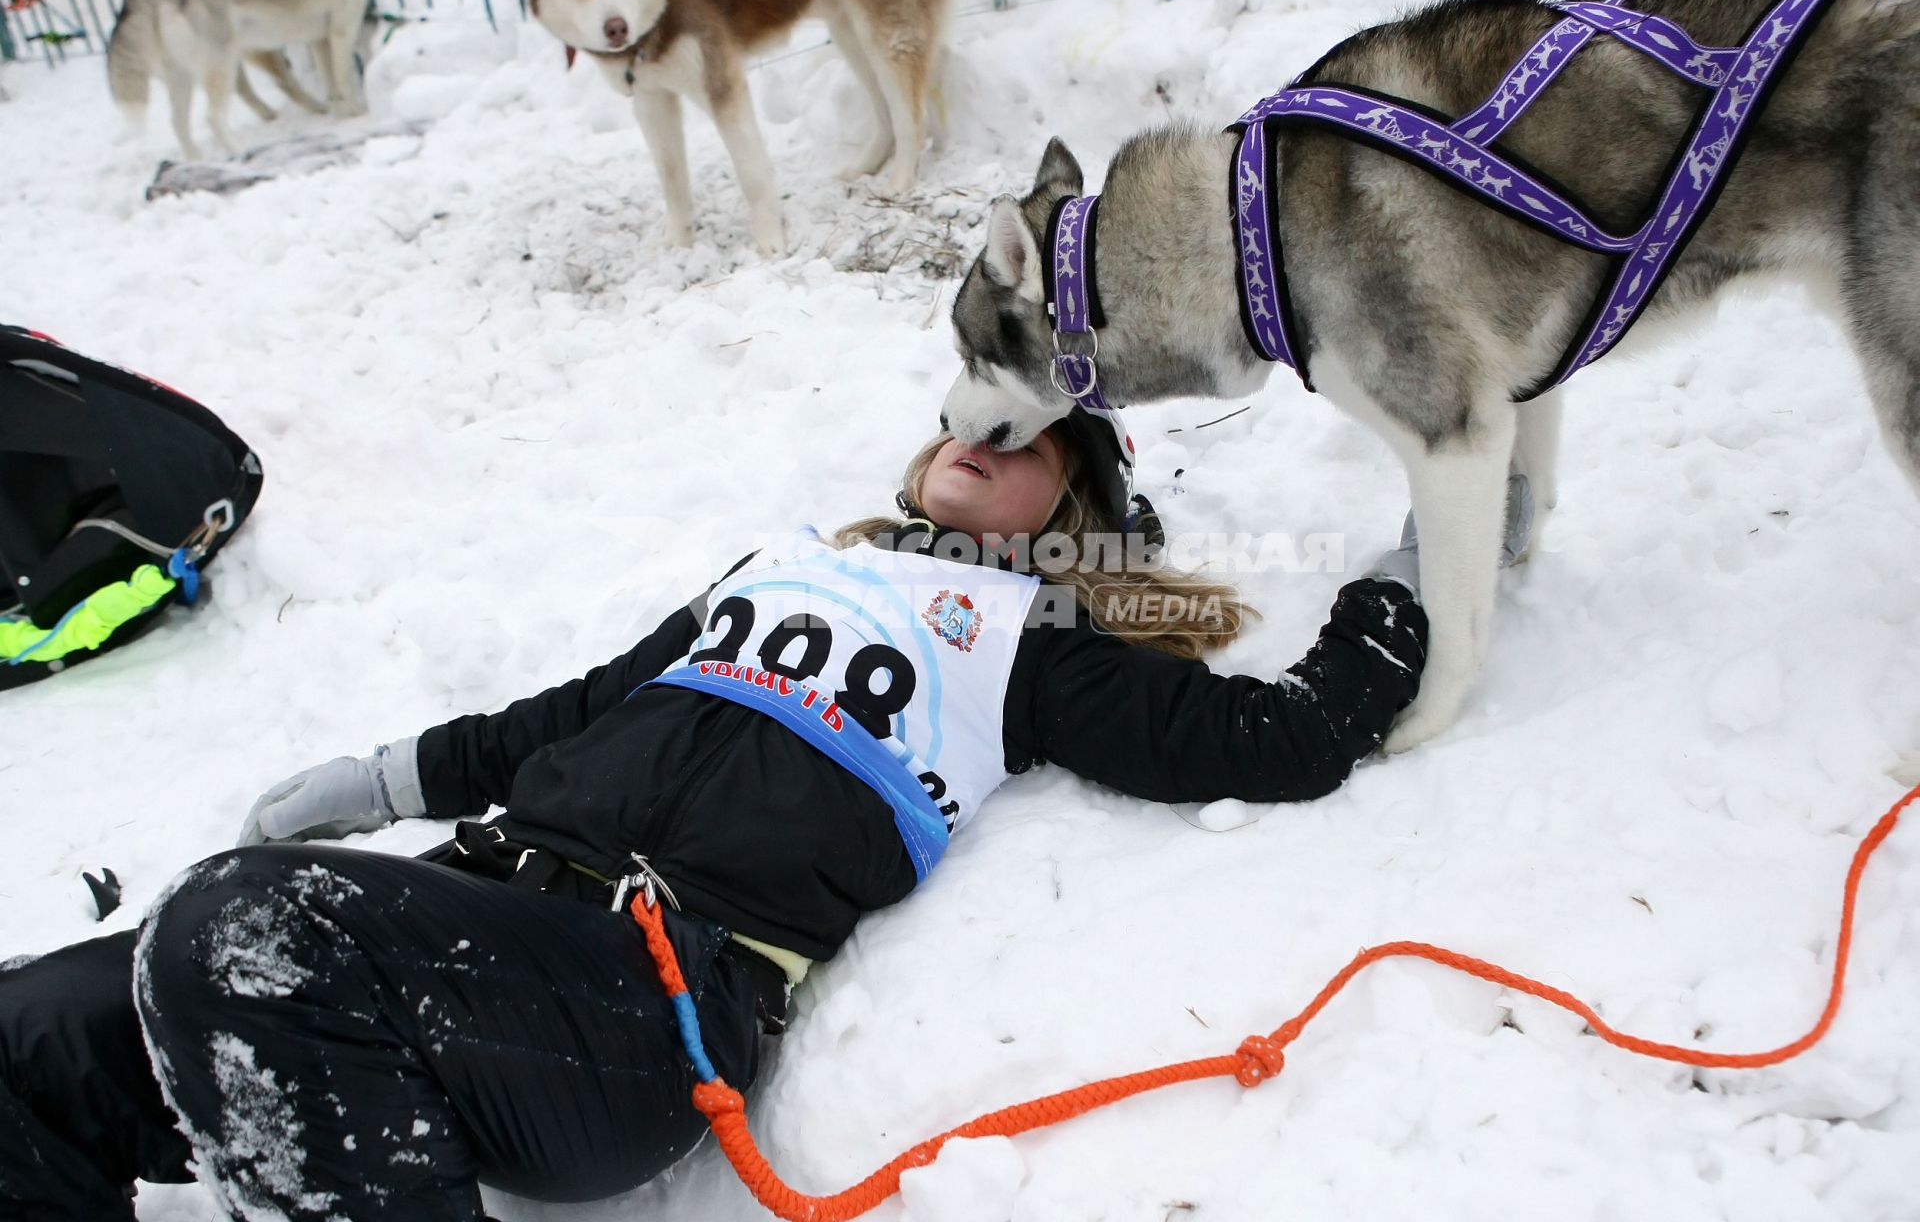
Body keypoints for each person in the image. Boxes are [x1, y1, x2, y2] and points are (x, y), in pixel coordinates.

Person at [0, 407, 1528, 1221]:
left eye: (1034, 436)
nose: (983, 432)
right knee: (28, 1038)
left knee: (237, 925)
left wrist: (1420, 568)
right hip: (469, 924)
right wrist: (390, 781)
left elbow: (1287, 735)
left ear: (1077, 511)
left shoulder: (1024, 655)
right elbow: (581, 711)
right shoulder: (782, 571)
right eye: (971, 411)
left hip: (639, 1004)